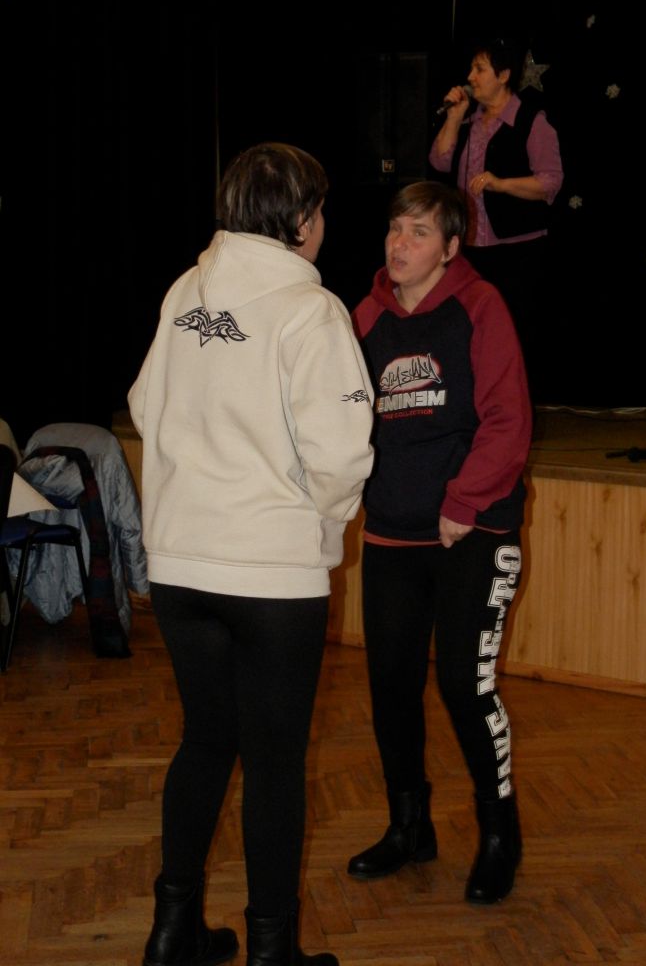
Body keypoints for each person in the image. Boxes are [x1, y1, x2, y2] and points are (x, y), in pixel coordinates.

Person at [128, 142, 374, 966]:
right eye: (321, 208)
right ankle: (273, 952)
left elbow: (143, 402)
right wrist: (321, 530)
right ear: (301, 218)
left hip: (179, 567)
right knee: (274, 765)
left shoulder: (184, 292)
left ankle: (172, 932)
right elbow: (342, 455)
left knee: (205, 741)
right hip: (271, 574)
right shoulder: (313, 310)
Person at [347, 180, 532, 905]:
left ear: (451, 247)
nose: (400, 243)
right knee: (391, 684)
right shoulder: (365, 317)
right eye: (396, 228)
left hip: (472, 530)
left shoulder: (481, 306)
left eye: (419, 232)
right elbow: (345, 420)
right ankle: (410, 827)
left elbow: (508, 420)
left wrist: (462, 501)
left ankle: (499, 835)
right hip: (393, 533)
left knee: (464, 683)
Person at [429, 38, 564, 404]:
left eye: (480, 69)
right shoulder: (469, 122)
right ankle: (476, 404)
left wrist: (501, 184)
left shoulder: (531, 121)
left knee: (515, 330)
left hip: (517, 248)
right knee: (472, 328)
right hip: (471, 246)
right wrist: (454, 117)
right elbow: (440, 162)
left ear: (503, 75)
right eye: (471, 69)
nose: (471, 77)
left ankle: (515, 408)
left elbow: (550, 182)